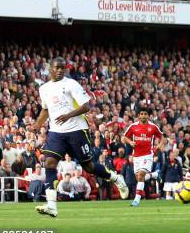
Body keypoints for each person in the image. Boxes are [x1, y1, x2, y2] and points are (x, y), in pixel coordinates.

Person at [34, 57, 128, 217]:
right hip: (56, 132)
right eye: (57, 68)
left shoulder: (71, 84)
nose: (60, 70)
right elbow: (45, 110)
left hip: (77, 130)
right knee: (49, 163)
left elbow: (86, 106)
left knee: (89, 167)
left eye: (62, 68)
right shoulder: (44, 89)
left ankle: (116, 178)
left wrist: (68, 115)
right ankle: (51, 205)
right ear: (50, 69)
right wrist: (36, 125)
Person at [122, 108, 165, 207]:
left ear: (148, 116)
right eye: (141, 114)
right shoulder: (133, 126)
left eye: (145, 114)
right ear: (138, 116)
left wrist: (158, 146)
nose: (143, 116)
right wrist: (130, 142)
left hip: (147, 155)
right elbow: (125, 137)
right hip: (136, 156)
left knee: (141, 175)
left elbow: (162, 137)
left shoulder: (153, 127)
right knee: (139, 177)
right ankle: (154, 175)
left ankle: (136, 200)